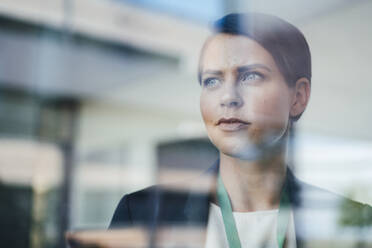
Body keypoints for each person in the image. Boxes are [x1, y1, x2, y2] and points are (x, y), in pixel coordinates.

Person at [109, 13, 372, 248]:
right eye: (212, 80)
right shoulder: (142, 214)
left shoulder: (357, 223)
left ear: (298, 97)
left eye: (250, 76)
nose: (228, 97)